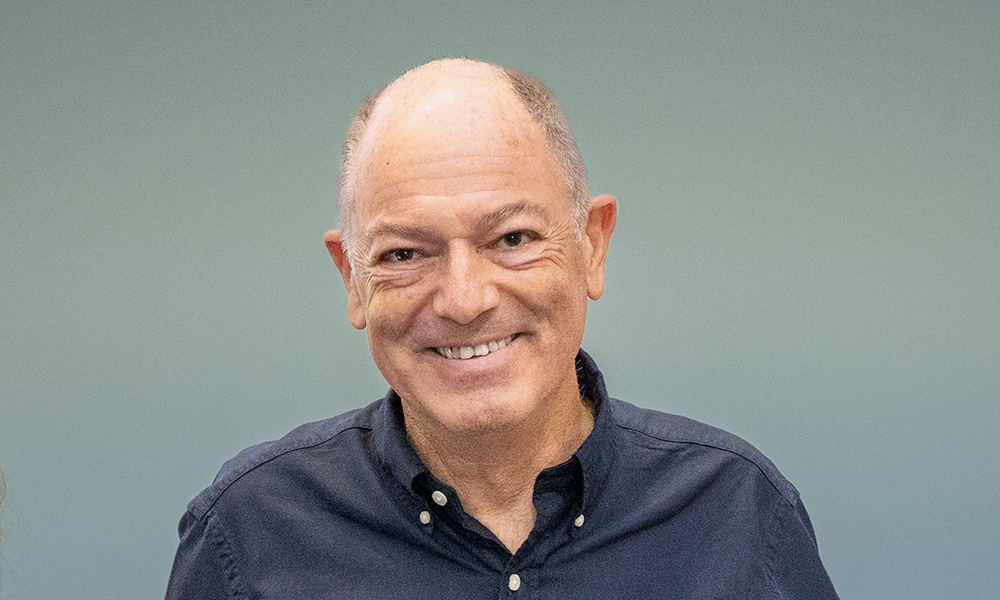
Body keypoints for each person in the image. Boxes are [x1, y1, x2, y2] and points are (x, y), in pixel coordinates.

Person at [164, 58, 839, 599]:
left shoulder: (739, 514)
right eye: (405, 253)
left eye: (512, 238)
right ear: (352, 278)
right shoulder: (248, 537)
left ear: (591, 247)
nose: (464, 300)